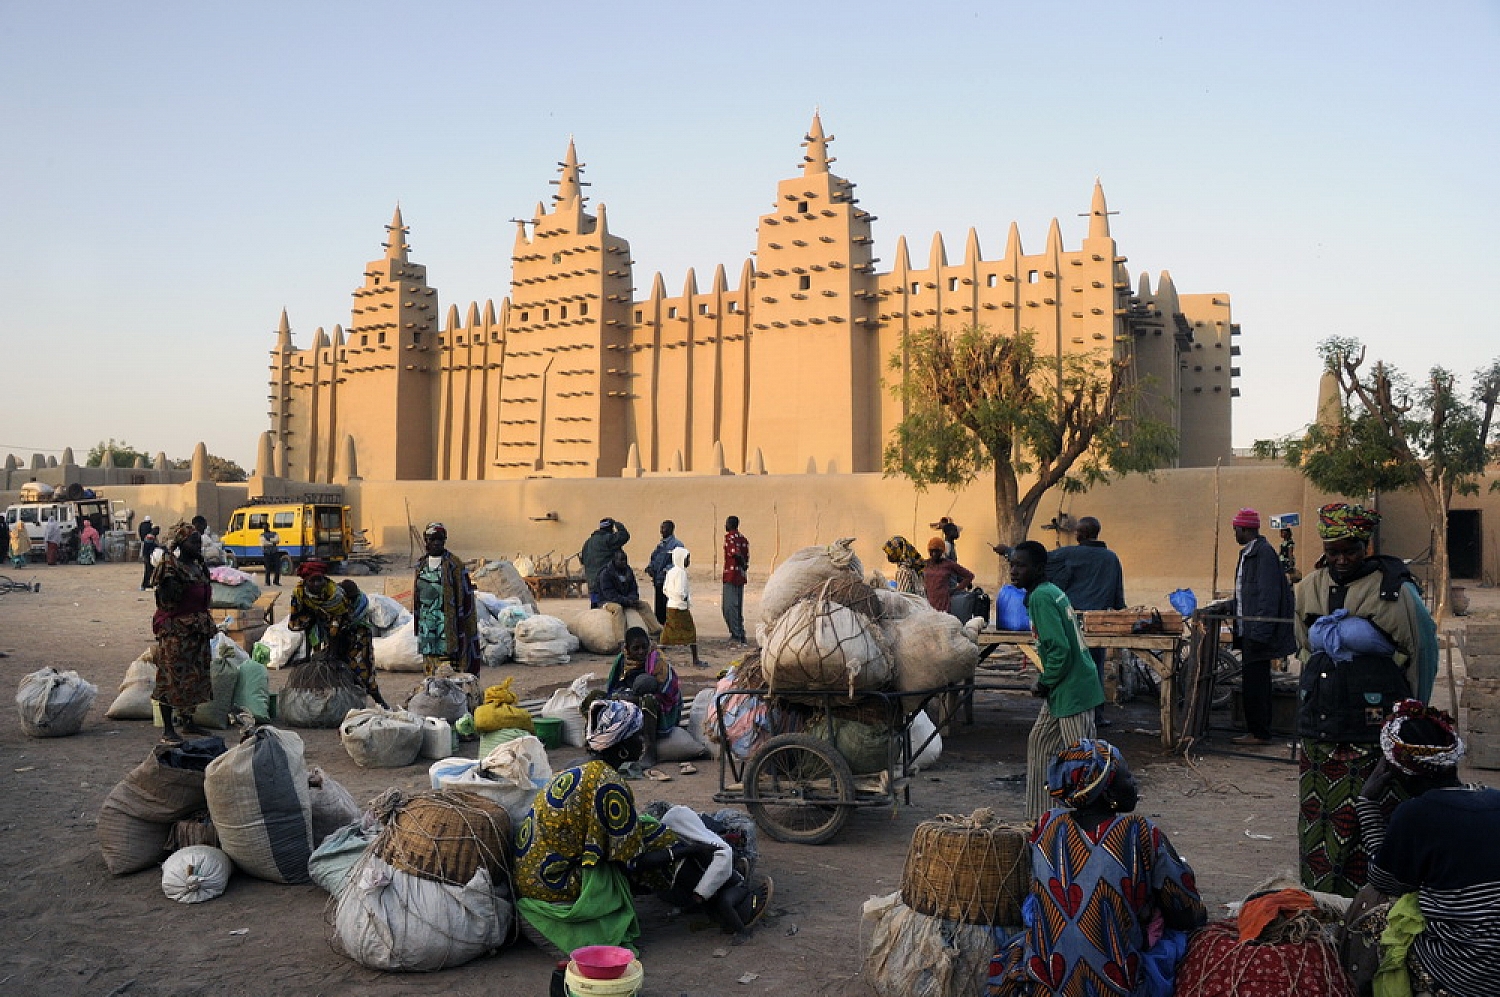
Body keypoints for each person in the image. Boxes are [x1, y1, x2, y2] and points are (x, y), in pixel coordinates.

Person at [513, 699, 772, 955]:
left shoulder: (577, 767)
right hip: (554, 883)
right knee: (662, 842)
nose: (644, 741)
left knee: (647, 830)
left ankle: (712, 894)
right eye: (637, 736)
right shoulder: (609, 784)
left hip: (534, 873)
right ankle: (725, 905)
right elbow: (631, 863)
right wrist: (686, 850)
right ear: (622, 748)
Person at [1294, 502, 1437, 898]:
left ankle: (1367, 911)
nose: (1341, 559)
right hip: (1319, 728)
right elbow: (1304, 647)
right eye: (1334, 550)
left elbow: (1420, 654)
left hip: (1370, 731)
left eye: (1351, 550)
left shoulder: (1394, 591)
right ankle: (1322, 902)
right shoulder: (1310, 587)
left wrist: (1412, 718)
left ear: (1366, 545)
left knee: (1368, 818)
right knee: (1318, 821)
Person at [988, 739, 1206, 997]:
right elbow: (1189, 914)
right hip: (1119, 987)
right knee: (1179, 940)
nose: (1134, 783)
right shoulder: (1139, 832)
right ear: (1106, 790)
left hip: (1048, 986)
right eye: (1126, 775)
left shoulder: (1046, 826)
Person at [1347, 700, 1500, 997]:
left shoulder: (1418, 814)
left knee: (1372, 910)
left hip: (1463, 975)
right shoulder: (1495, 799)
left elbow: (1383, 882)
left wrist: (1367, 804)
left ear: (1396, 770)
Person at [1010, 540, 1105, 822]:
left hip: (1072, 688)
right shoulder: (1049, 591)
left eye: (1021, 565)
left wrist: (1044, 681)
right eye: (1012, 564)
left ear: (1039, 568)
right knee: (1040, 743)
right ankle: (1040, 819)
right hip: (1065, 688)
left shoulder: (1041, 596)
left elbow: (1059, 649)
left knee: (1082, 758)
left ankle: (1091, 820)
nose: (1014, 571)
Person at [1217, 508, 1296, 746]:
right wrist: (1227, 606)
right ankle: (1258, 730)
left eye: (1236, 530)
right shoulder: (1248, 554)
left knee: (1256, 685)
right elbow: (1247, 595)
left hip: (1257, 632)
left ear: (1245, 529)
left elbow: (1268, 597)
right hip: (1249, 629)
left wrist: (1260, 632)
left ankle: (1259, 733)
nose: (1235, 534)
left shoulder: (1264, 554)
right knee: (1255, 682)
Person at [287, 564, 390, 708]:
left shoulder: (335, 596)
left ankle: (381, 702)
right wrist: (307, 655)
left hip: (356, 632)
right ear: (305, 582)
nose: (317, 584)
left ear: (325, 579)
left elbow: (337, 628)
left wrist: (333, 655)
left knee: (360, 669)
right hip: (332, 631)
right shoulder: (300, 595)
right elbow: (308, 625)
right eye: (312, 581)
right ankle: (346, 706)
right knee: (334, 669)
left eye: (319, 580)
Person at [151, 522, 217, 745]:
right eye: (193, 542)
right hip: (176, 630)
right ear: (181, 543)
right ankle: (168, 729)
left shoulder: (198, 567)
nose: (197, 545)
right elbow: (167, 598)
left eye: (199, 542)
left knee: (195, 676)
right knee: (171, 676)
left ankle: (188, 720)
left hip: (197, 630)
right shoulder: (171, 567)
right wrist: (168, 567)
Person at [601, 626, 683, 771]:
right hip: (630, 702)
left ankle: (650, 751)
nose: (641, 652)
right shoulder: (621, 660)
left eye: (644, 647)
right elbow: (613, 688)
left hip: (661, 708)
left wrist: (634, 697)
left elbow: (668, 692)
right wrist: (621, 697)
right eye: (636, 648)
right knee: (596, 699)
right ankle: (598, 747)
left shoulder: (657, 660)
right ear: (627, 648)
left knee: (647, 697)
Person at [412, 522, 481, 676]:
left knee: (448, 669)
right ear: (426, 541)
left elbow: (465, 596)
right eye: (432, 539)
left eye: (440, 539)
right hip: (427, 626)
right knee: (430, 667)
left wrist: (463, 625)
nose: (436, 543)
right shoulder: (421, 565)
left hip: (448, 627)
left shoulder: (454, 565)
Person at [595, 549, 662, 636]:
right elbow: (609, 593)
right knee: (618, 609)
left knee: (644, 605)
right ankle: (620, 638)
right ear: (615, 560)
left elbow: (634, 588)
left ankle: (656, 630)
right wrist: (625, 600)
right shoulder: (606, 574)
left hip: (626, 600)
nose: (624, 562)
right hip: (608, 601)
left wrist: (632, 598)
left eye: (625, 560)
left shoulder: (628, 571)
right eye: (621, 560)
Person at [659, 547, 701, 668]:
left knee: (667, 632)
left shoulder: (671, 571)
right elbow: (681, 591)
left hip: (670, 606)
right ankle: (695, 660)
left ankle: (658, 657)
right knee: (691, 632)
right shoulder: (681, 573)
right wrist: (682, 598)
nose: (689, 561)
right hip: (680, 607)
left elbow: (665, 589)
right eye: (687, 559)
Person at [581, 518, 631, 608]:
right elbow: (624, 536)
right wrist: (617, 524)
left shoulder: (588, 542)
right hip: (606, 583)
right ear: (611, 528)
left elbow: (583, 560)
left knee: (595, 609)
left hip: (592, 583)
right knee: (610, 610)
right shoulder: (608, 539)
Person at [920, 536, 974, 614]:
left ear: (942, 552)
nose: (934, 554)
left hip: (943, 602)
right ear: (929, 551)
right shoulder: (924, 564)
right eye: (932, 551)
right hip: (927, 601)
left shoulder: (948, 564)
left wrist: (956, 589)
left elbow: (969, 576)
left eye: (937, 551)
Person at [645, 520, 684, 625]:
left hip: (669, 581)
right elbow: (654, 558)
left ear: (671, 529)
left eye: (664, 528)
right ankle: (659, 628)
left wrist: (666, 570)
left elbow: (678, 562)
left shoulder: (677, 545)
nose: (661, 531)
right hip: (658, 580)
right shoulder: (661, 545)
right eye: (661, 528)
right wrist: (650, 567)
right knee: (659, 606)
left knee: (667, 605)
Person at [722, 516, 749, 644]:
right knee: (737, 606)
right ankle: (741, 633)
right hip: (740, 575)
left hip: (731, 575)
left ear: (730, 524)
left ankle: (736, 635)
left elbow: (735, 553)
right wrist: (744, 566)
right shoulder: (743, 539)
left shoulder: (730, 538)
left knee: (728, 607)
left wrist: (742, 563)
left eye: (726, 523)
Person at [140, 525, 160, 589]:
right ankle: (144, 585)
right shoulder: (150, 536)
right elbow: (150, 546)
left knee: (151, 570)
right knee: (148, 570)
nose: (158, 531)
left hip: (149, 555)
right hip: (147, 555)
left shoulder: (153, 536)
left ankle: (149, 583)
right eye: (157, 530)